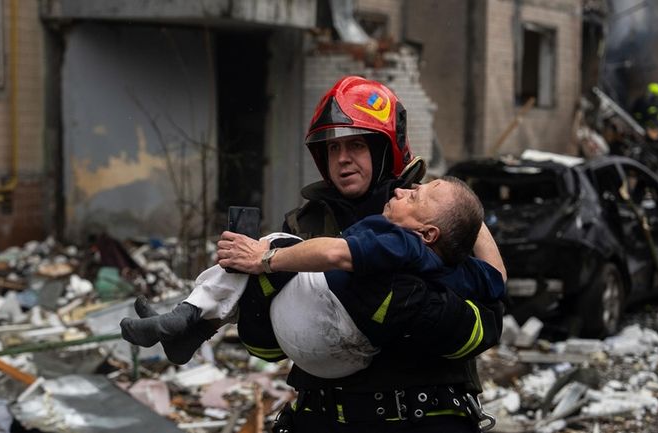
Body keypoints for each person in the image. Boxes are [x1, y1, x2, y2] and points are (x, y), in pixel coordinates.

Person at [123, 76, 505, 432]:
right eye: (332, 147)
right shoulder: (303, 224)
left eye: (356, 144)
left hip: (421, 418)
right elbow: (268, 349)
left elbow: (488, 319)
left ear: (384, 148)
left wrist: (410, 309)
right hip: (322, 416)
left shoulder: (437, 215)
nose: (342, 158)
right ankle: (191, 323)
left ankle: (192, 321)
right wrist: (259, 297)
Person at [122, 176, 504, 379]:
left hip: (320, 329)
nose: (403, 189)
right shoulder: (452, 267)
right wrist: (469, 219)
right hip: (347, 360)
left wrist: (267, 259)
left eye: (415, 197)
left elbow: (335, 252)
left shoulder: (399, 242)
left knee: (274, 241)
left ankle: (191, 316)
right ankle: (194, 328)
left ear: (427, 233)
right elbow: (495, 277)